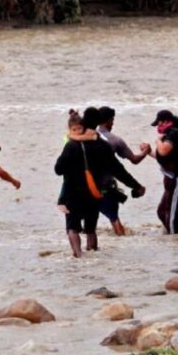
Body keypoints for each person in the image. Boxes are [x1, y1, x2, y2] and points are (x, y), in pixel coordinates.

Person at [54, 107, 145, 257]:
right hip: (94, 193)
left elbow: (58, 170)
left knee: (72, 228)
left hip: (73, 194)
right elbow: (118, 170)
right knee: (91, 230)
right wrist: (136, 186)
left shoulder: (72, 145)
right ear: (98, 123)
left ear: (83, 121)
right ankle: (94, 258)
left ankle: (78, 258)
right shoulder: (103, 145)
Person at [95, 106, 149, 235]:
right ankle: (122, 244)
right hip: (105, 187)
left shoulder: (85, 138)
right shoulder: (115, 140)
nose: (113, 123)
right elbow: (134, 160)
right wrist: (146, 151)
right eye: (112, 120)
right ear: (109, 121)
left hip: (84, 187)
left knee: (86, 226)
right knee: (115, 221)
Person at [141, 110, 178, 234]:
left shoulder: (174, 133)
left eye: (159, 124)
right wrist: (148, 151)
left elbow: (163, 151)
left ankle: (177, 239)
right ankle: (174, 237)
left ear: (165, 121)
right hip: (173, 178)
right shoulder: (171, 133)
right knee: (162, 211)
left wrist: (158, 141)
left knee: (173, 217)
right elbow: (163, 157)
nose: (158, 128)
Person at [58, 110, 97, 214]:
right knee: (67, 180)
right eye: (74, 129)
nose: (78, 131)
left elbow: (93, 135)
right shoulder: (69, 138)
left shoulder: (82, 135)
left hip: (82, 165)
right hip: (71, 163)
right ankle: (61, 201)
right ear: (70, 130)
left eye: (80, 128)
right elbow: (78, 138)